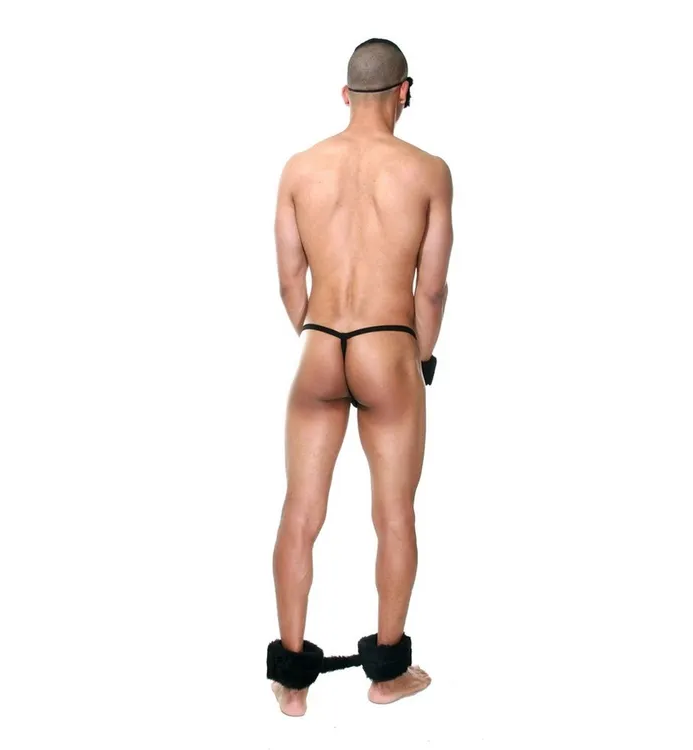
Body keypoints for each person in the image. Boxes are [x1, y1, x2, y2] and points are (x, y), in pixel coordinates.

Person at [267, 38, 453, 717]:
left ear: (346, 94)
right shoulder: (428, 171)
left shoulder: (300, 168)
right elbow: (431, 290)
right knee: (394, 513)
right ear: (404, 91)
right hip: (388, 345)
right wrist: (419, 357)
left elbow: (291, 280)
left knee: (300, 511)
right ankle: (387, 675)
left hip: (320, 344)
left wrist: (317, 333)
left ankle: (292, 683)